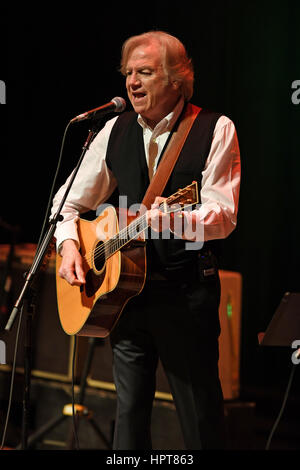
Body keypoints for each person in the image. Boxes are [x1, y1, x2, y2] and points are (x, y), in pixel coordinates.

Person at [51, 30, 241, 450]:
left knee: (199, 417)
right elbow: (63, 205)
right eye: (129, 73)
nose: (132, 82)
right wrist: (68, 246)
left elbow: (223, 217)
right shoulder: (112, 130)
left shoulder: (215, 128)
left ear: (177, 79)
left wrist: (170, 221)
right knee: (129, 418)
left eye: (146, 72)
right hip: (126, 297)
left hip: (186, 293)